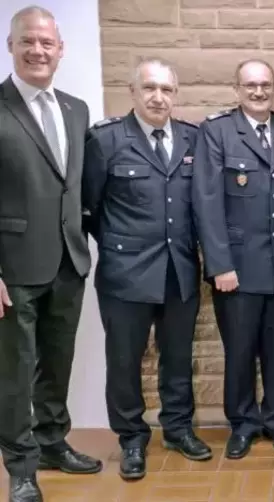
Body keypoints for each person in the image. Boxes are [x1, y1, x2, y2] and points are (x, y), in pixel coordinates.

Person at [82, 58, 212, 481]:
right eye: (150, 88)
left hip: (179, 270)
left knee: (178, 356)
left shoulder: (193, 139)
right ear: (133, 92)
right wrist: (123, 248)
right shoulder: (105, 140)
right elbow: (90, 209)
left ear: (176, 94)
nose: (159, 97)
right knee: (125, 359)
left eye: (167, 90)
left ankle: (177, 428)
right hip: (126, 273)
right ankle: (132, 438)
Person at [0, 6, 102, 502]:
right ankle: (20, 467)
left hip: (68, 260)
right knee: (15, 369)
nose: (38, 50)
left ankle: (52, 442)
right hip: (12, 267)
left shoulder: (76, 109)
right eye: (28, 41)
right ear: (10, 45)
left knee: (57, 360)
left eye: (47, 42)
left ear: (60, 50)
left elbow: (75, 187)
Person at [193, 59, 274, 459]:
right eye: (250, 86)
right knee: (240, 351)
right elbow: (206, 203)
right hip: (237, 269)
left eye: (265, 85)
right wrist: (219, 264)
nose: (259, 92)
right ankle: (242, 423)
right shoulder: (217, 132)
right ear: (236, 88)